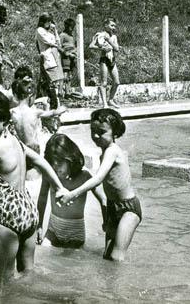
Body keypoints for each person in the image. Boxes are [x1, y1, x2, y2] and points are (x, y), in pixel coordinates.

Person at [0, 89, 68, 282]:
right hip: (29, 212)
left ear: (3, 117)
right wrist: (59, 186)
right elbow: (41, 161)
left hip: (8, 215)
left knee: (4, 280)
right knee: (29, 274)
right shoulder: (17, 143)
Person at [57, 109, 141, 262]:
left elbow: (98, 179)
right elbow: (106, 190)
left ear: (114, 132)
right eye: (93, 131)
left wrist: (72, 193)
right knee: (107, 257)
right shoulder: (104, 153)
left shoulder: (112, 151)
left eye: (101, 132)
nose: (95, 136)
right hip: (112, 207)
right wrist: (106, 216)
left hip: (128, 208)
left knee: (116, 257)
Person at [36, 134, 107, 249]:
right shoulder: (49, 174)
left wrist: (106, 222)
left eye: (59, 163)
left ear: (70, 158)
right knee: (44, 254)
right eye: (52, 165)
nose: (56, 169)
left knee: (70, 263)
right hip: (53, 230)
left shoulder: (84, 175)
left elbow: (103, 198)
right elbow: (42, 197)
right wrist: (39, 225)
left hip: (75, 233)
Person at [10, 76, 67, 154]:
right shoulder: (35, 112)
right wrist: (62, 109)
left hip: (21, 148)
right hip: (33, 147)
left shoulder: (12, 112)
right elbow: (53, 113)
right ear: (30, 95)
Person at [89, 18, 121, 108]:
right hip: (104, 60)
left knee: (117, 82)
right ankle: (104, 104)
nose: (113, 27)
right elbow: (91, 46)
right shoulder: (100, 35)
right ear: (105, 25)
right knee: (104, 82)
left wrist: (109, 40)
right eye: (111, 25)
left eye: (114, 25)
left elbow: (117, 49)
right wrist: (101, 48)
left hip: (112, 60)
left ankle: (110, 99)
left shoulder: (113, 36)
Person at [36, 13, 64, 110]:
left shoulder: (51, 32)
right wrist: (56, 44)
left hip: (55, 56)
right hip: (48, 57)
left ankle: (55, 102)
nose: (49, 23)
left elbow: (58, 42)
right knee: (51, 81)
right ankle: (53, 103)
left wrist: (55, 31)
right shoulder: (39, 30)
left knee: (56, 80)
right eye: (48, 21)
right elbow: (49, 42)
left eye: (50, 21)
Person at [59, 18, 78, 98]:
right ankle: (60, 93)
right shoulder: (62, 35)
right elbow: (59, 47)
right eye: (70, 26)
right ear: (66, 26)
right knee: (64, 75)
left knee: (70, 75)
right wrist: (67, 53)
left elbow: (74, 46)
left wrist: (75, 52)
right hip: (65, 57)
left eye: (72, 27)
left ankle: (67, 93)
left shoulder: (72, 36)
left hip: (72, 57)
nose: (71, 28)